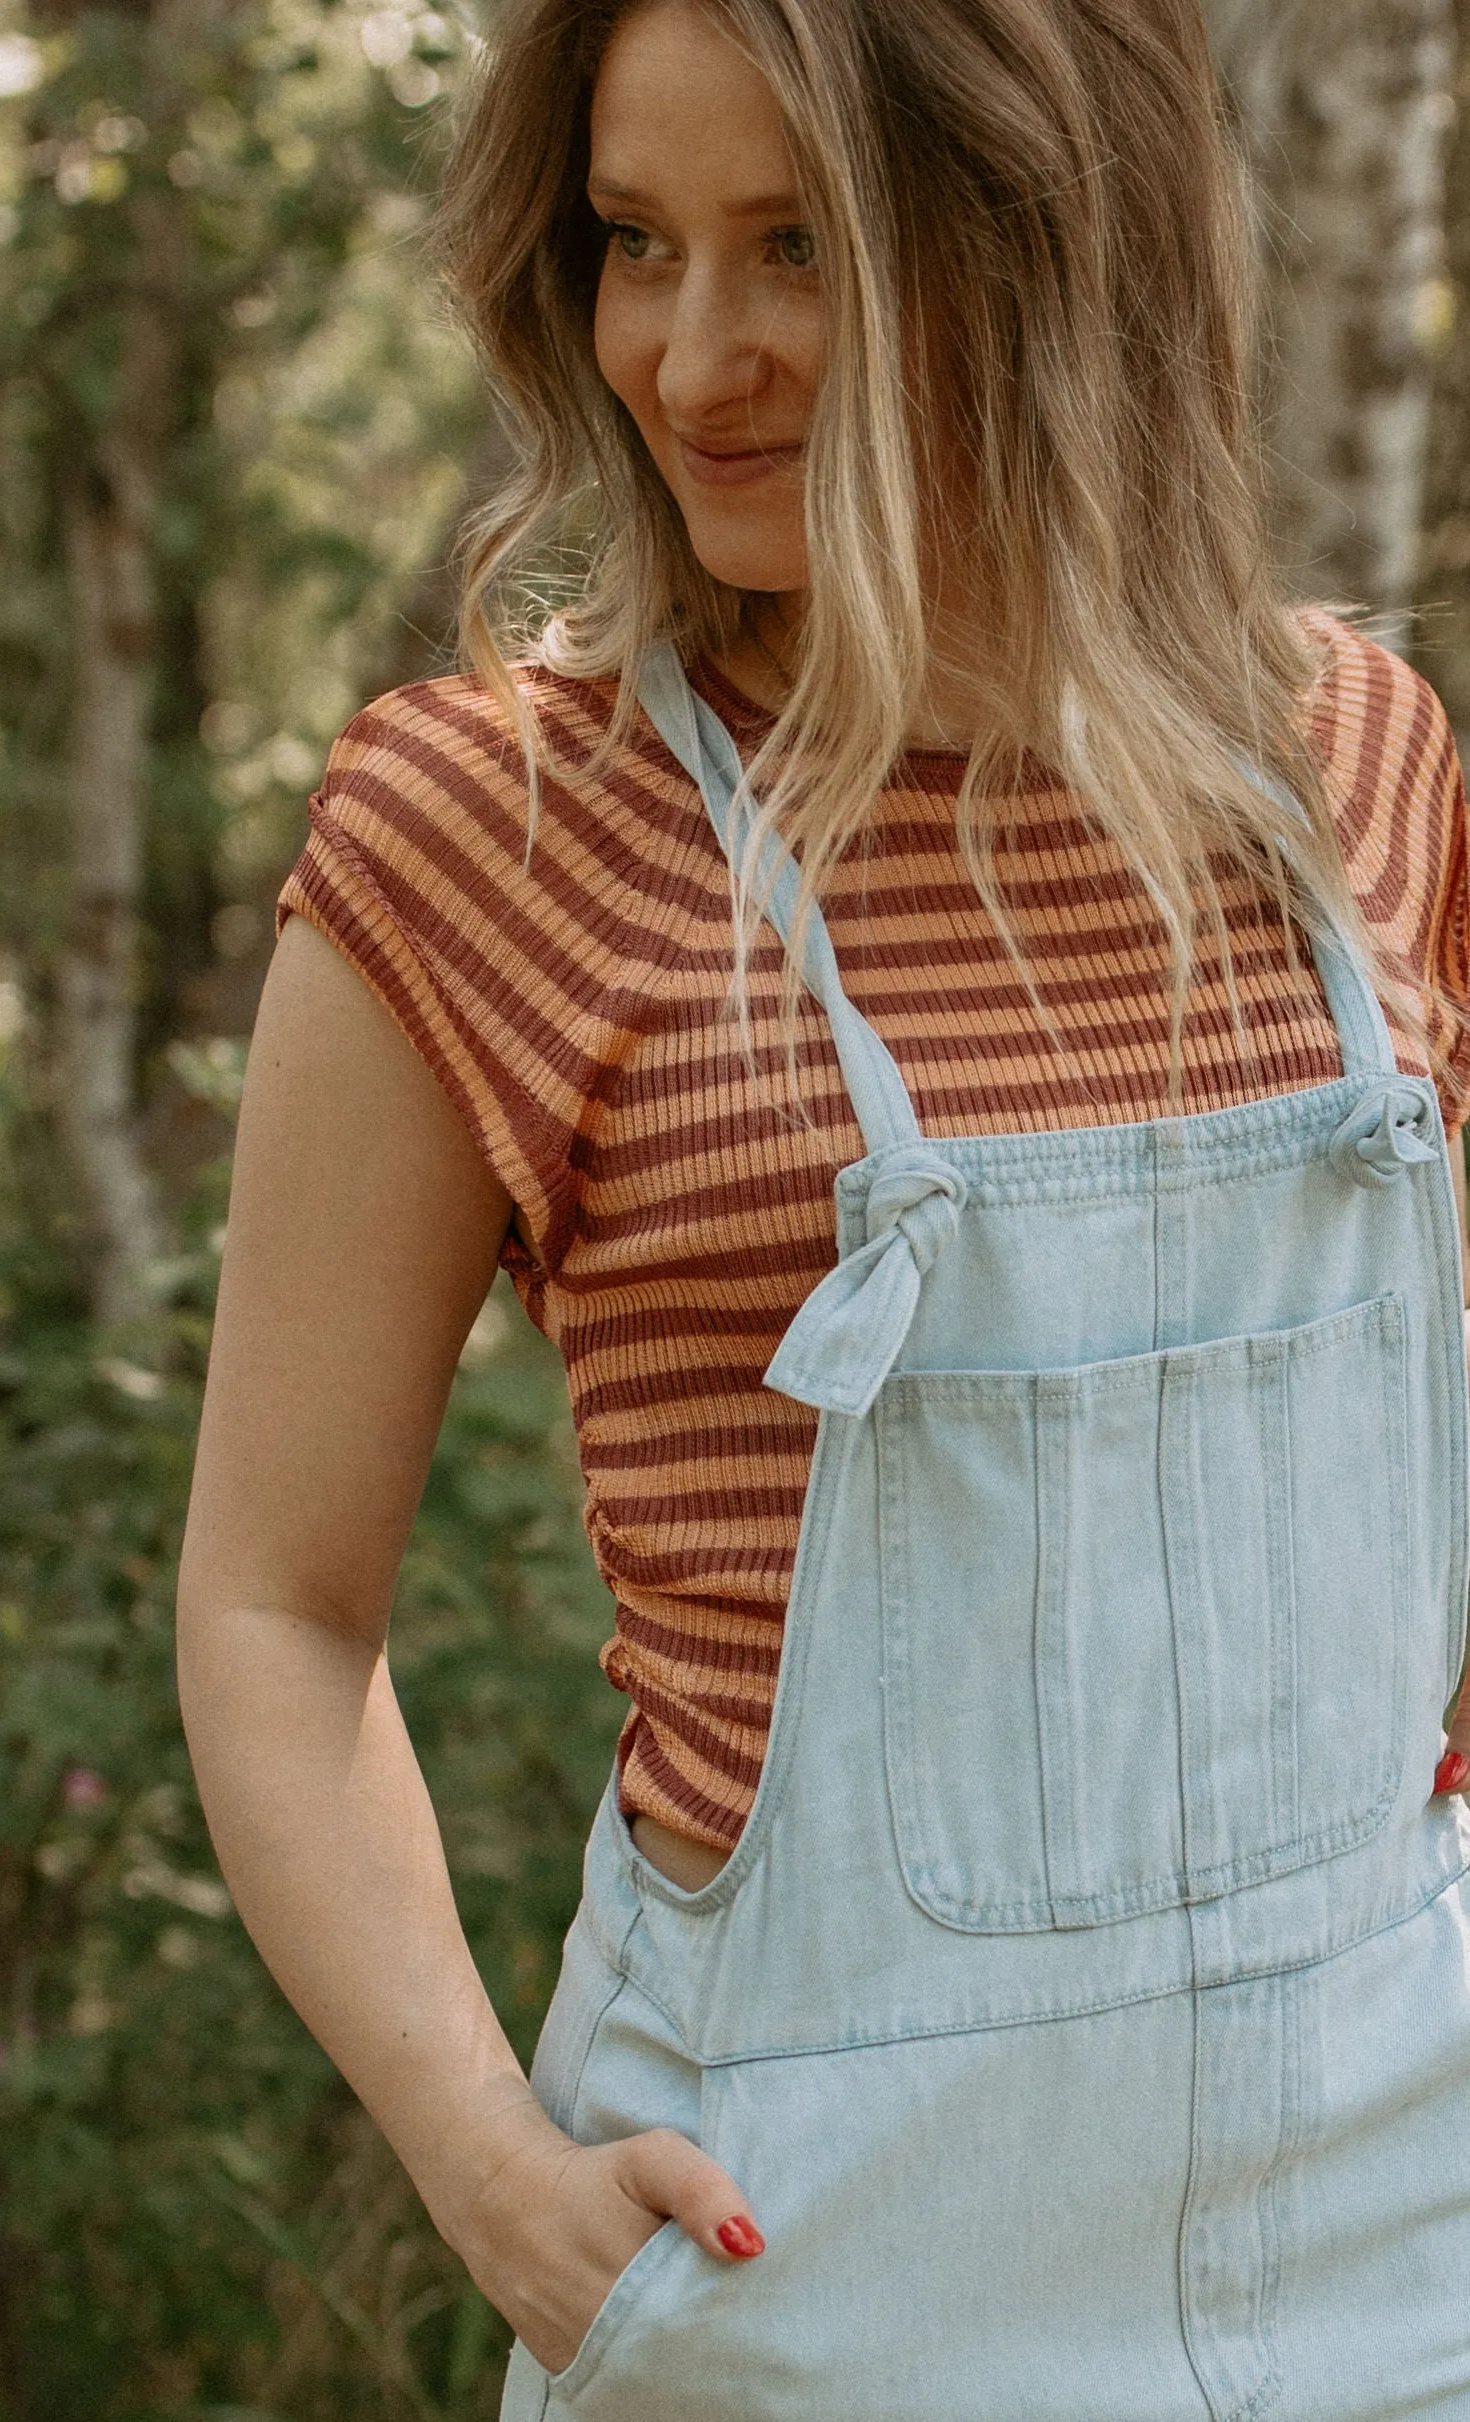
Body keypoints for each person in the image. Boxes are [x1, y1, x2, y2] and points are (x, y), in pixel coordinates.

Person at [175, 0, 1470, 2412]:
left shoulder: (1354, 774)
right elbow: (272, 1601)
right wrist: (493, 2173)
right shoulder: (500, 832)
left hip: (1415, 2256)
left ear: (1045, 244)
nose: (692, 353)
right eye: (631, 244)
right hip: (815, 2286)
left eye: (804, 248)